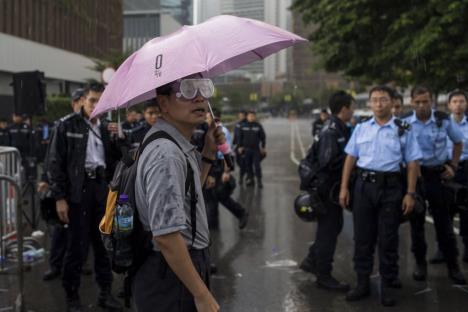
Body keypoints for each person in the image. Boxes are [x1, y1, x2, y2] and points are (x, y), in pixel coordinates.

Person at [133, 75, 221, 311]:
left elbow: (188, 197)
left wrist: (208, 154)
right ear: (163, 104)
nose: (200, 97)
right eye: (188, 90)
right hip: (171, 274)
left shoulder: (177, 143)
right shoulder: (167, 153)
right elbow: (166, 236)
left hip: (177, 267)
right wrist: (201, 294)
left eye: (203, 88)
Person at [340, 85, 421, 306]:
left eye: (383, 100)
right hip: (364, 188)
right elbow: (350, 159)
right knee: (363, 239)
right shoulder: (361, 128)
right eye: (374, 100)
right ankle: (362, 283)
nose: (378, 104)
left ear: (392, 102)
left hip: (391, 189)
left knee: (388, 239)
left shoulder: (403, 128)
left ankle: (386, 285)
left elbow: (413, 162)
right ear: (369, 103)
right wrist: (344, 188)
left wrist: (410, 193)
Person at [48, 83, 122, 312]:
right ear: (83, 101)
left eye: (101, 101)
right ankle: (72, 297)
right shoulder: (66, 125)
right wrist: (59, 197)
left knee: (104, 244)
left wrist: (119, 137)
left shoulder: (106, 128)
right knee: (77, 247)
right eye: (92, 101)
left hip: (101, 189)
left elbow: (118, 160)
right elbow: (54, 163)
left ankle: (105, 293)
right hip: (77, 192)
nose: (96, 106)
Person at [403, 86, 466, 284]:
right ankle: (420, 264)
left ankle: (453, 267)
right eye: (417, 102)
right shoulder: (404, 122)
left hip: (438, 177)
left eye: (425, 101)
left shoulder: (442, 119)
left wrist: (453, 166)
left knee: (444, 225)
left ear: (432, 101)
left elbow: (458, 142)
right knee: (417, 225)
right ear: (412, 102)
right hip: (416, 178)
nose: (421, 105)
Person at [299, 91, 354, 291]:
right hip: (326, 190)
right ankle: (323, 275)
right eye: (351, 107)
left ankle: (312, 259)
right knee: (328, 232)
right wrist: (352, 160)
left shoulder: (340, 127)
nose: (353, 111)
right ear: (344, 108)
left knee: (333, 227)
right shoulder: (331, 130)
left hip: (329, 187)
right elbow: (327, 162)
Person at [192, 108, 249, 230]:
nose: (205, 120)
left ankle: (241, 213)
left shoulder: (222, 132)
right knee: (211, 198)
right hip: (210, 166)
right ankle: (213, 225)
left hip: (218, 166)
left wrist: (226, 171)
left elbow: (226, 153)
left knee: (219, 195)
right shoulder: (206, 130)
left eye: (207, 118)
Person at [445, 89, 468, 264]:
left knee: (466, 210)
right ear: (449, 105)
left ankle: (467, 247)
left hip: (465, 170)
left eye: (461, 101)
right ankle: (443, 248)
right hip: (448, 170)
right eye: (454, 101)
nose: (458, 105)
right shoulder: (443, 124)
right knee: (445, 210)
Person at [238, 111, 266, 188]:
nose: (251, 117)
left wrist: (263, 147)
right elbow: (240, 137)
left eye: (253, 116)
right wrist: (240, 147)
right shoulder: (243, 126)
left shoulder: (258, 126)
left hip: (256, 150)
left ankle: (259, 181)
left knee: (257, 166)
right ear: (247, 117)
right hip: (246, 150)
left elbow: (263, 137)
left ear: (255, 117)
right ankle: (250, 180)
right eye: (250, 116)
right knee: (248, 166)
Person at [233, 111, 247, 184]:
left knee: (242, 163)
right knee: (238, 162)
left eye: (242, 115)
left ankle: (241, 178)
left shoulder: (246, 124)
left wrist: (242, 147)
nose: (240, 117)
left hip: (243, 148)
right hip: (237, 147)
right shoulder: (238, 124)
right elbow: (235, 135)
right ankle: (246, 173)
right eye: (239, 115)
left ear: (245, 116)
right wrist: (233, 144)